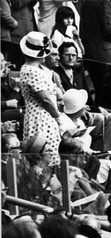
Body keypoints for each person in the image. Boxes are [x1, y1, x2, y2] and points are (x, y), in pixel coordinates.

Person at [19, 31, 64, 164]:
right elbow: (45, 99)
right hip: (41, 118)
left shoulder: (39, 69)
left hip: (46, 116)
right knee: (45, 156)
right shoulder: (31, 70)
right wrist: (59, 118)